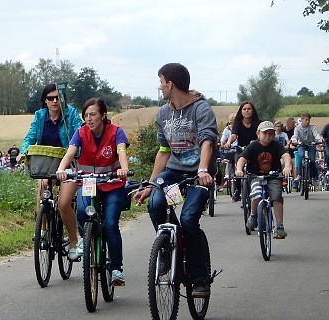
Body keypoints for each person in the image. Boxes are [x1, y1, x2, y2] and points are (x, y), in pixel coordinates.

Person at [133, 63, 216, 298]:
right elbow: (163, 151)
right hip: (173, 174)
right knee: (156, 204)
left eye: (161, 82)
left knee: (189, 220)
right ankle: (170, 250)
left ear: (170, 84)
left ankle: (199, 277)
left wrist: (202, 169)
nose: (159, 87)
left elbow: (206, 141)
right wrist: (150, 184)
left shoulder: (201, 109)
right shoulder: (163, 113)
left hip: (199, 176)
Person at [55, 98, 130, 285]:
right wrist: (62, 169)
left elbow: (122, 152)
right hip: (88, 182)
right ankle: (86, 237)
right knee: (81, 212)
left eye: (93, 114)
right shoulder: (80, 133)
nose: (89, 119)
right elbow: (70, 153)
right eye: (86, 115)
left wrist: (124, 168)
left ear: (103, 115)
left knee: (111, 225)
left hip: (112, 183)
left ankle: (116, 269)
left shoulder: (116, 132)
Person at [18, 83, 83, 260]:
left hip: (69, 163)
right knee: (42, 192)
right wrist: (24, 151)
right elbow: (30, 136)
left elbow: (80, 134)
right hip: (48, 163)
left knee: (64, 203)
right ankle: (44, 230)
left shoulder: (70, 114)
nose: (54, 101)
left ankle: (73, 241)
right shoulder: (39, 116)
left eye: (57, 97)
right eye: (50, 98)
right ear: (44, 101)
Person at [236, 121, 292, 239]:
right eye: (265, 133)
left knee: (276, 196)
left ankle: (280, 226)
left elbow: (286, 155)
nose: (268, 136)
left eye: (271, 133)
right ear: (258, 134)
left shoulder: (276, 145)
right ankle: (253, 215)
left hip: (273, 176)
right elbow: (242, 158)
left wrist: (287, 166)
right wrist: (239, 169)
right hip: (256, 176)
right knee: (255, 194)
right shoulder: (253, 146)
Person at [224, 101, 260, 202]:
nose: (247, 111)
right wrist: (228, 142)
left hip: (254, 149)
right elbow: (234, 135)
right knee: (238, 168)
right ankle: (237, 190)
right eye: (244, 109)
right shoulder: (237, 123)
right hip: (241, 150)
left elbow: (260, 135)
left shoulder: (258, 123)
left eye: (249, 109)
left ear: (253, 111)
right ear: (241, 111)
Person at [290, 112, 324, 186]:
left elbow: (316, 134)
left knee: (312, 160)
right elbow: (295, 135)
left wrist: (319, 140)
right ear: (302, 120)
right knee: (301, 156)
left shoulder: (312, 127)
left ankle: (314, 177)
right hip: (301, 144)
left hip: (311, 145)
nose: (308, 121)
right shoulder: (297, 128)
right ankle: (300, 175)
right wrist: (294, 140)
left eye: (309, 120)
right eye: (306, 120)